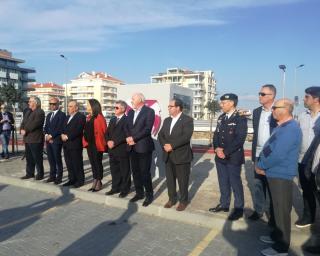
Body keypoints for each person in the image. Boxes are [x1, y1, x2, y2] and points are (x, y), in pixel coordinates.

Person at [256, 99, 302, 256]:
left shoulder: (290, 129)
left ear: (286, 109)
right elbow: (270, 148)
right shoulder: (282, 127)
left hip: (280, 174)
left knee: (281, 210)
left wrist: (261, 165)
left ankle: (281, 247)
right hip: (274, 172)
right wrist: (262, 161)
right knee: (276, 208)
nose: (273, 110)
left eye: (275, 107)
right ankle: (277, 236)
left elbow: (277, 154)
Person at [209, 93, 248, 221]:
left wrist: (225, 151)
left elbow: (240, 139)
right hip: (220, 156)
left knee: (235, 183)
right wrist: (216, 148)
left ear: (231, 103)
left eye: (223, 103)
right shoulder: (221, 118)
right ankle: (224, 204)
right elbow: (216, 135)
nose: (221, 105)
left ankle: (238, 209)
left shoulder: (240, 118)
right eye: (221, 103)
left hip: (233, 156)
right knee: (223, 181)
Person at [158, 98, 194, 211]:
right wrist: (165, 145)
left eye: (171, 106)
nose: (168, 108)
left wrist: (172, 146)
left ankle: (183, 201)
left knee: (183, 180)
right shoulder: (167, 120)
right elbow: (161, 135)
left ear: (178, 108)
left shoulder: (187, 120)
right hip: (168, 155)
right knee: (170, 180)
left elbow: (186, 136)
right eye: (168, 106)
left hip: (182, 156)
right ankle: (172, 199)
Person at [249, 84, 278, 221]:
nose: (259, 96)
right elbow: (256, 134)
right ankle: (259, 210)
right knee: (258, 184)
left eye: (263, 94)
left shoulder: (278, 111)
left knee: (272, 185)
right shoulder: (256, 112)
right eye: (259, 93)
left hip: (272, 155)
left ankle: (273, 214)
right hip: (258, 154)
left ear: (272, 96)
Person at [296, 86, 320, 228]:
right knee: (306, 190)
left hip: (318, 164)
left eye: (307, 97)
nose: (304, 99)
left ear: (316, 99)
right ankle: (308, 217)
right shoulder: (302, 116)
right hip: (302, 161)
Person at [125, 92, 155, 207]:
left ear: (140, 100)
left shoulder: (149, 111)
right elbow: (127, 126)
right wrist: (128, 137)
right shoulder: (131, 112)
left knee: (144, 173)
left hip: (143, 147)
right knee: (135, 171)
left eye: (133, 99)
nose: (131, 101)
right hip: (131, 146)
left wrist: (134, 138)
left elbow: (147, 129)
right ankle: (139, 193)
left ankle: (149, 195)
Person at [105, 100, 131, 197]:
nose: (114, 109)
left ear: (123, 109)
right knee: (114, 170)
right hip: (112, 150)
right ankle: (115, 188)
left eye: (116, 107)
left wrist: (115, 142)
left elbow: (126, 134)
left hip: (122, 149)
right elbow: (107, 133)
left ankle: (125, 189)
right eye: (114, 107)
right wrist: (108, 141)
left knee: (124, 171)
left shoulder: (127, 119)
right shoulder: (112, 119)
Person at [83, 99, 107, 192]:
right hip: (90, 144)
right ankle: (95, 179)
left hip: (97, 144)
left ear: (93, 106)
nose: (86, 106)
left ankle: (99, 181)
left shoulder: (100, 117)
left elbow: (104, 131)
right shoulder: (89, 117)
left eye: (88, 104)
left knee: (97, 163)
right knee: (93, 163)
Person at [61, 100, 86, 188]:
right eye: (68, 106)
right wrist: (62, 134)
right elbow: (63, 127)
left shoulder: (81, 117)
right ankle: (72, 179)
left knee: (77, 163)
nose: (69, 108)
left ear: (76, 108)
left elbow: (78, 130)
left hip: (75, 144)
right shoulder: (67, 117)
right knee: (69, 163)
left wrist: (67, 136)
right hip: (66, 145)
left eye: (71, 106)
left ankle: (80, 180)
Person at [20, 96, 45, 180]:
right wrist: (21, 129)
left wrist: (25, 130)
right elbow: (23, 122)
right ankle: (30, 173)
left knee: (37, 158)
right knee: (29, 158)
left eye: (30, 101)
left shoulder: (40, 112)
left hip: (36, 139)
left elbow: (35, 124)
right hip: (27, 139)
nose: (28, 103)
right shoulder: (28, 111)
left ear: (35, 103)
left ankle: (40, 174)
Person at [44, 97, 66, 184]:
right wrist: (46, 135)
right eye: (50, 104)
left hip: (56, 140)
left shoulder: (62, 115)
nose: (52, 106)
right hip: (48, 140)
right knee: (51, 159)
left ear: (58, 105)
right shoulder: (49, 115)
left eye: (54, 104)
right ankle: (52, 176)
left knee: (57, 159)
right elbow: (46, 127)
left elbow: (60, 128)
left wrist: (51, 136)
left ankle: (59, 177)